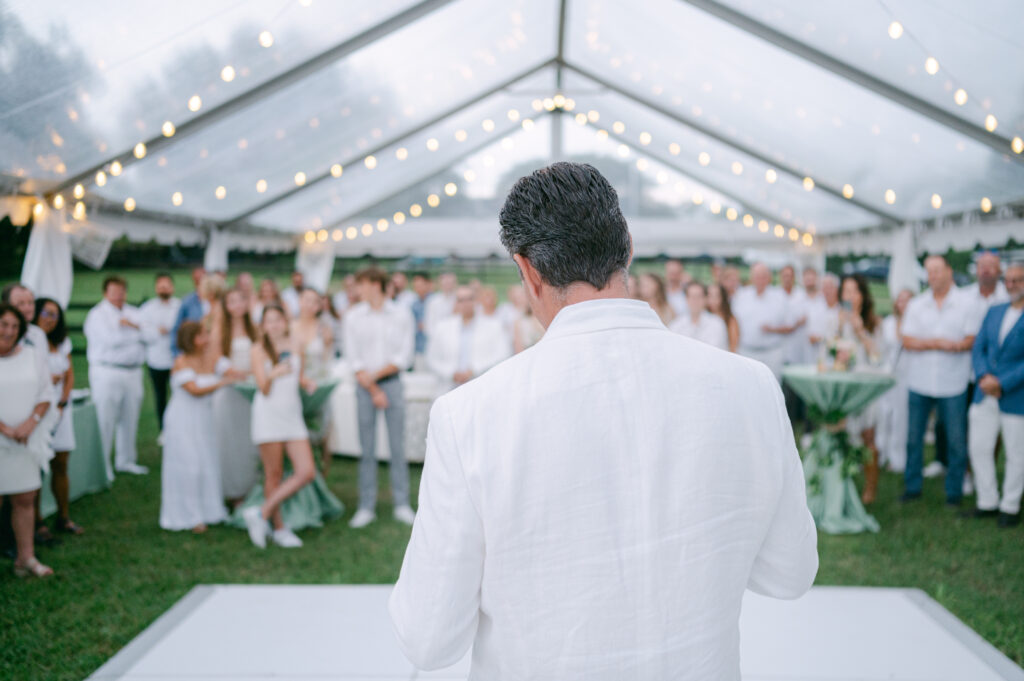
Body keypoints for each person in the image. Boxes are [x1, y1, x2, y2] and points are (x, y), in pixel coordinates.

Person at [390, 162, 817, 678]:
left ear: (527, 272)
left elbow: (429, 637)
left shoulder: (469, 414)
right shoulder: (751, 386)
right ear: (628, 247)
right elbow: (790, 572)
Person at [343, 267, 416, 529]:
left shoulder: (400, 313)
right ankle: (366, 506)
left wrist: (376, 382)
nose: (356, 290)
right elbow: (353, 358)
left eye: (360, 284)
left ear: (375, 285)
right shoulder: (353, 316)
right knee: (367, 449)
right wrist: (373, 389)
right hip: (365, 388)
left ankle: (402, 503)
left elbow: (403, 356)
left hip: (393, 384)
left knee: (397, 447)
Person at [901, 255, 976, 506]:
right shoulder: (917, 303)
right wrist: (939, 343)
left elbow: (969, 340)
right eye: (928, 271)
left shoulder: (965, 303)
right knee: (914, 438)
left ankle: (954, 491)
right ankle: (912, 487)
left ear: (949, 272)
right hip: (919, 381)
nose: (932, 275)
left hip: (953, 382)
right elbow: (907, 340)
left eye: (936, 270)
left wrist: (937, 345)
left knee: (956, 438)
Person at [242, 305, 317, 549]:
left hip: (292, 415)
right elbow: (263, 388)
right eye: (268, 321)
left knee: (306, 471)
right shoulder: (258, 349)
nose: (274, 325)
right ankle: (280, 528)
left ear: (285, 322)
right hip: (268, 414)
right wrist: (273, 373)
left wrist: (307, 383)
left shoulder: (296, 343)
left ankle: (260, 514)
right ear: (262, 325)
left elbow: (299, 375)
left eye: (277, 320)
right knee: (273, 473)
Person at [160, 322, 236, 533]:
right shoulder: (180, 362)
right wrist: (223, 382)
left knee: (206, 462)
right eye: (202, 335)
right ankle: (189, 515)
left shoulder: (212, 358)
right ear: (190, 339)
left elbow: (233, 371)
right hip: (182, 419)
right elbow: (194, 390)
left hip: (203, 419)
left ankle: (210, 510)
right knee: (189, 465)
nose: (207, 339)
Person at [966, 262, 1024, 528]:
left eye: (1018, 280)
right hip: (984, 392)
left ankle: (1010, 506)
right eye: (1009, 280)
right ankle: (987, 501)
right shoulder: (995, 310)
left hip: (1015, 395)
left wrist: (1002, 382)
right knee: (979, 446)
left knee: (1016, 452)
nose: (1012, 284)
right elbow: (979, 347)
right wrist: (983, 377)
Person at [0, 303, 55, 578]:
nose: (8, 331)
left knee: (25, 498)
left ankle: (26, 558)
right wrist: (5, 429)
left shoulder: (33, 356)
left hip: (25, 441)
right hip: (2, 440)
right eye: (3, 324)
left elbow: (46, 393)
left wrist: (30, 423)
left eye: (14, 326)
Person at [84, 276, 147, 478]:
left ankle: (126, 460)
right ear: (105, 293)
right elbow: (111, 340)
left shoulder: (133, 312)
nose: (119, 295)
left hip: (134, 371)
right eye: (114, 291)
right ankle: (103, 467)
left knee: (130, 417)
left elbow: (152, 335)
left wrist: (131, 328)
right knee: (106, 419)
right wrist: (136, 332)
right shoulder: (97, 315)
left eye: (122, 291)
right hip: (107, 372)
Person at [33, 298, 83, 536]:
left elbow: (70, 375)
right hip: (38, 410)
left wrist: (63, 401)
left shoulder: (62, 343)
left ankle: (63, 516)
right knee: (37, 467)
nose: (50, 318)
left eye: (55, 314)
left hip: (62, 409)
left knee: (61, 463)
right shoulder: (28, 341)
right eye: (45, 312)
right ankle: (37, 520)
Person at [838, 275, 885, 504]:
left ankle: (870, 487)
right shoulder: (837, 320)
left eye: (854, 291)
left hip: (866, 386)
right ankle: (842, 486)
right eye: (845, 291)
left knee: (869, 438)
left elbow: (878, 358)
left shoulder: (874, 322)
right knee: (841, 435)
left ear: (862, 295)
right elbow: (828, 351)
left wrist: (860, 332)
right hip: (844, 386)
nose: (849, 296)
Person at [212, 288, 260, 506]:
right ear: (226, 306)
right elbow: (216, 360)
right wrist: (238, 373)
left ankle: (251, 488)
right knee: (230, 443)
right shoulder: (219, 330)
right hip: (229, 392)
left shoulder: (254, 329)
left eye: (240, 300)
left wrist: (254, 374)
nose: (237, 305)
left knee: (249, 442)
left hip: (251, 392)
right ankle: (231, 491)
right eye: (231, 301)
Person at [426, 286, 513, 393]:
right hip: (449, 387)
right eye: (461, 300)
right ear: (456, 303)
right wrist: (451, 373)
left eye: (469, 299)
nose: (465, 303)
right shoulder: (442, 327)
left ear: (476, 300)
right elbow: (432, 358)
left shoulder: (494, 326)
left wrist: (474, 370)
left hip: (481, 386)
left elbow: (503, 355)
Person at [876, 289, 915, 473]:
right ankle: (880, 452)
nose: (903, 303)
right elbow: (882, 348)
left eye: (907, 300)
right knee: (884, 414)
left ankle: (897, 457)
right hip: (888, 373)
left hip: (907, 374)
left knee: (901, 416)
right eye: (900, 300)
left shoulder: (916, 324)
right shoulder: (888, 322)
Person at [139, 273, 181, 435]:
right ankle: (164, 430)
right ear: (156, 288)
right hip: (156, 360)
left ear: (172, 287)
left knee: (178, 396)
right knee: (160, 396)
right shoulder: (148, 308)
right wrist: (158, 331)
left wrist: (171, 332)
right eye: (160, 286)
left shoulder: (179, 306)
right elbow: (143, 333)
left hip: (176, 360)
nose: (163, 289)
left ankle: (178, 428)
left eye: (166, 285)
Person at [732, 263, 789, 378]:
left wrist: (773, 329)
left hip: (772, 352)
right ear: (751, 277)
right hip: (746, 352)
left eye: (763, 276)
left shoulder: (779, 296)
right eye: (757, 276)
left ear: (769, 278)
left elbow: (790, 326)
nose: (760, 279)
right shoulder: (741, 295)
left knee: (773, 389)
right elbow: (733, 323)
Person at [669, 281, 728, 350]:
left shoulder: (717, 323)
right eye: (692, 297)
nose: (695, 301)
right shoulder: (677, 324)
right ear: (686, 299)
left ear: (705, 299)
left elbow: (714, 350)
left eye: (699, 296)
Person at [291, 288, 334, 381]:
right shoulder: (289, 327)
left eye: (315, 302)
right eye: (307, 300)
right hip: (294, 379)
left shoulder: (324, 328)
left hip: (319, 379)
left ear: (319, 306)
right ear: (299, 301)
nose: (310, 305)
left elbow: (328, 357)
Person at [170, 266, 205, 355]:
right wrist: (177, 353)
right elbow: (177, 329)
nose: (200, 282)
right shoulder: (187, 302)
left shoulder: (218, 301)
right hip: (191, 352)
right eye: (197, 279)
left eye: (203, 278)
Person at [2, 284, 48, 350]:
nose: (28, 308)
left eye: (30, 302)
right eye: (21, 303)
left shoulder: (39, 334)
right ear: (7, 305)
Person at [807, 274, 841, 356]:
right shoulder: (814, 308)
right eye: (824, 288)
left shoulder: (842, 310)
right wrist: (830, 339)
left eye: (830, 287)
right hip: (817, 356)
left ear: (837, 289)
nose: (827, 291)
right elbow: (812, 338)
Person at [707, 282, 740, 352]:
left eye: (716, 296)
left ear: (722, 298)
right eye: (710, 296)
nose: (713, 300)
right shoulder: (704, 316)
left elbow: (733, 346)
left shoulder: (730, 320)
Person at [409, 272, 434, 360]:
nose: (418, 289)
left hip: (434, 346)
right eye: (416, 286)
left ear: (428, 285)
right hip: (419, 348)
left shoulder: (435, 301)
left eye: (420, 285)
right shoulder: (414, 304)